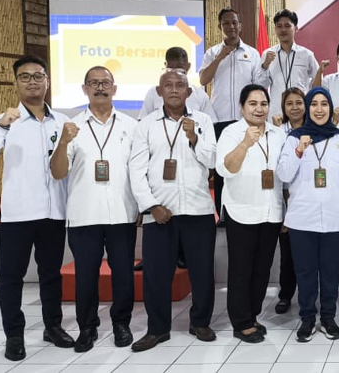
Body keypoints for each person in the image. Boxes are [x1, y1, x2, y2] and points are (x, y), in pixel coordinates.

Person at [0, 55, 74, 361]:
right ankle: (14, 335)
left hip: (52, 213)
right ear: (16, 82)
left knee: (51, 275)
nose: (33, 82)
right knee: (11, 277)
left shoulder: (60, 122)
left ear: (47, 81)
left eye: (38, 76)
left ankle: (52, 326)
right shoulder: (5, 121)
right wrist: (2, 126)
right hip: (17, 214)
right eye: (26, 77)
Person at [49, 66, 138, 352]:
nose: (100, 87)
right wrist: (63, 142)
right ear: (84, 88)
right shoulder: (71, 127)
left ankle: (121, 324)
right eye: (94, 83)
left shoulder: (130, 126)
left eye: (105, 82)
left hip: (122, 213)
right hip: (84, 214)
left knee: (123, 272)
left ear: (115, 88)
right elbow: (58, 172)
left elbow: (138, 170)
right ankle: (87, 328)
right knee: (86, 275)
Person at [129, 70, 218, 352]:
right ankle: (157, 329)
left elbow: (213, 160)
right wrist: (151, 206)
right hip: (160, 212)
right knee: (156, 274)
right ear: (159, 91)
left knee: (202, 273)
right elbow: (136, 170)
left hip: (198, 209)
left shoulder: (202, 121)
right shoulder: (146, 125)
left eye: (181, 85)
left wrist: (195, 138)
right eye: (169, 85)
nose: (175, 90)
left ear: (190, 92)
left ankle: (200, 322)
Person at [278, 87, 339, 342]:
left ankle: (328, 318)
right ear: (308, 108)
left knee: (330, 272)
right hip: (302, 219)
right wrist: (299, 150)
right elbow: (283, 175)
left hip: (335, 219)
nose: (320, 109)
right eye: (314, 104)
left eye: (324, 104)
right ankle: (307, 319)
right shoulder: (294, 138)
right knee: (305, 272)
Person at [216, 84, 287, 343]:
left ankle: (252, 314)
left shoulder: (278, 134)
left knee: (262, 269)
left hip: (270, 212)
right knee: (241, 269)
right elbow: (225, 170)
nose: (259, 108)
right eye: (253, 103)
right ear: (242, 106)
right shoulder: (231, 132)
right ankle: (241, 321)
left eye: (263, 103)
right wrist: (245, 144)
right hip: (242, 210)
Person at [200, 8, 269, 226]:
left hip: (244, 120)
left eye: (234, 23)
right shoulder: (212, 53)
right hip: (219, 120)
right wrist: (221, 56)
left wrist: (266, 66)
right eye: (226, 23)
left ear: (240, 26)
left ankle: (246, 208)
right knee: (222, 169)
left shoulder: (252, 53)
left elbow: (259, 83)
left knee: (245, 164)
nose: (230, 27)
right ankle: (223, 213)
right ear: (220, 27)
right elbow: (203, 80)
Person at [271, 88, 305, 314]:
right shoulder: (277, 133)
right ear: (283, 108)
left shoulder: (316, 130)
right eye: (289, 103)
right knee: (288, 255)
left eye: (299, 102)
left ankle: (308, 295)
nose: (294, 107)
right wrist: (286, 211)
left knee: (307, 257)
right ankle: (285, 295)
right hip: (285, 201)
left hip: (308, 200)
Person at [260, 9, 320, 118]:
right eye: (279, 26)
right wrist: (265, 65)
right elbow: (262, 85)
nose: (283, 30)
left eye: (287, 26)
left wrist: (308, 99)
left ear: (296, 28)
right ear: (275, 29)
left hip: (301, 113)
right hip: (277, 114)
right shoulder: (267, 55)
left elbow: (318, 81)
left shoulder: (307, 55)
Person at [139, 47, 215, 122]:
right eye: (171, 69)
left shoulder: (200, 95)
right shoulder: (154, 92)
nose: (174, 73)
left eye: (179, 69)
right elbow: (142, 122)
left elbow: (211, 124)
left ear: (188, 66)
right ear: (165, 65)